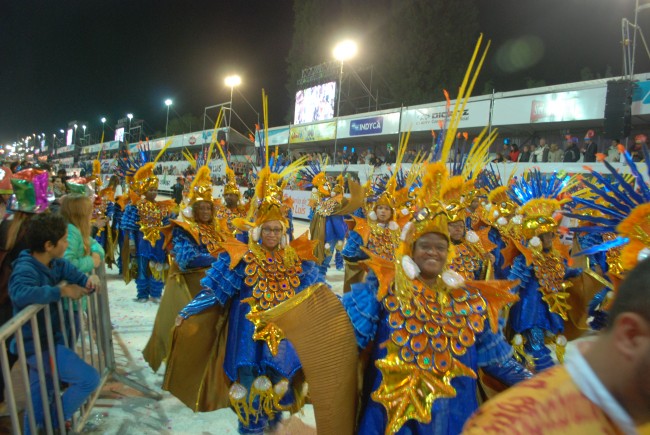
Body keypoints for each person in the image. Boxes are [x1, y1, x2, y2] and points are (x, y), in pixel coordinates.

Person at [342, 162, 531, 435]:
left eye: (440, 247)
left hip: (450, 421)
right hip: (392, 420)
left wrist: (536, 381)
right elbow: (345, 345)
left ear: (448, 253)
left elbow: (497, 360)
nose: (433, 253)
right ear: (411, 249)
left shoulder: (470, 300)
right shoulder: (385, 289)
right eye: (425, 246)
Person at [163, 158, 323, 435]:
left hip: (280, 338)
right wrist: (188, 310)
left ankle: (271, 426)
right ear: (259, 231)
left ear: (283, 233)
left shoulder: (295, 261)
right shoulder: (242, 258)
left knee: (276, 384)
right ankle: (249, 429)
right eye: (268, 229)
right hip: (246, 337)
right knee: (248, 389)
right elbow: (215, 292)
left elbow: (315, 295)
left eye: (277, 229)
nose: (272, 234)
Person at [464, 257, 650, 434]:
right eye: (546, 235)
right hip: (530, 310)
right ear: (630, 335)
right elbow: (514, 283)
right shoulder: (514, 427)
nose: (550, 238)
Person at [9, 213, 99, 433]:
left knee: (40, 395)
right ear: (49, 245)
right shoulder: (25, 268)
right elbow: (19, 293)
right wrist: (61, 291)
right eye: (65, 239)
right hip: (38, 345)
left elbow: (75, 274)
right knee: (88, 379)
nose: (68, 244)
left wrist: (89, 280)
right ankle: (56, 419)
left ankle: (42, 426)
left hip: (47, 340)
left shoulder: (56, 263)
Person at [143, 165, 224, 372]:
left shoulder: (217, 228)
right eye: (201, 208)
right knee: (185, 326)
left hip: (211, 284)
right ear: (194, 210)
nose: (205, 212)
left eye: (208, 208)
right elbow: (187, 260)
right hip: (188, 285)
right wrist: (216, 258)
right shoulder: (184, 229)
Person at [121, 162, 175, 303]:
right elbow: (130, 227)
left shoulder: (162, 207)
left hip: (158, 244)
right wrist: (132, 241)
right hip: (141, 243)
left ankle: (156, 293)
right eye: (150, 190)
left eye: (155, 190)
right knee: (142, 267)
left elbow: (167, 225)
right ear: (144, 191)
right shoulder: (135, 207)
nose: (153, 193)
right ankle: (142, 294)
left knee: (158, 266)